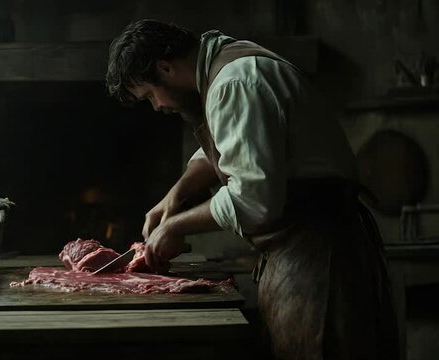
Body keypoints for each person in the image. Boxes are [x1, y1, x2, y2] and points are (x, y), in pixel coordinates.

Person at [105, 19, 398, 360]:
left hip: (321, 257)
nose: (158, 107)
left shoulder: (235, 82)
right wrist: (177, 193)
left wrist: (176, 226)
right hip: (308, 250)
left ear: (165, 67)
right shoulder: (226, 64)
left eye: (150, 95)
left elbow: (253, 198)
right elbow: (234, 143)